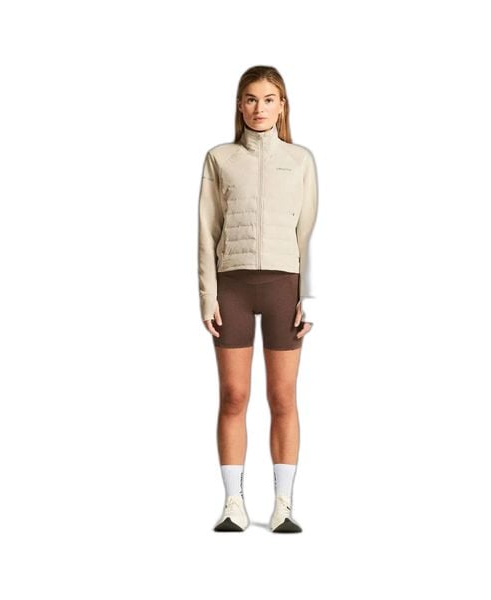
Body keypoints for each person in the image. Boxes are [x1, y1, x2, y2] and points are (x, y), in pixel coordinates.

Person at [197, 66, 318, 533]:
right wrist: (208, 294)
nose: (259, 108)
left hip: (284, 286)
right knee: (234, 395)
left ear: (282, 106)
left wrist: (311, 295)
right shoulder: (219, 158)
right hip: (233, 286)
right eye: (251, 99)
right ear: (239, 105)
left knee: (282, 396)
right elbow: (206, 229)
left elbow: (310, 231)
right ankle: (234, 503)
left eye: (269, 99)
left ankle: (283, 504)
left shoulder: (301, 160)